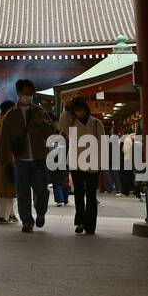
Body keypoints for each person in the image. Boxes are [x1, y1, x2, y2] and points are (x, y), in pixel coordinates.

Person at [0, 79, 57, 232]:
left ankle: (40, 213)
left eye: (31, 93)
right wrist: (4, 160)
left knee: (42, 191)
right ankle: (27, 222)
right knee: (23, 193)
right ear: (18, 93)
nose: (28, 96)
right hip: (20, 160)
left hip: (40, 158)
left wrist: (41, 123)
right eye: (25, 93)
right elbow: (4, 139)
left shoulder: (40, 111)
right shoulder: (10, 115)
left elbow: (51, 133)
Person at [57, 97, 105, 235]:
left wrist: (102, 163)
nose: (79, 112)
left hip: (93, 163)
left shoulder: (96, 123)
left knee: (91, 195)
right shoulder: (71, 122)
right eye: (76, 110)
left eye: (80, 109)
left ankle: (91, 225)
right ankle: (80, 222)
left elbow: (102, 143)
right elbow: (61, 126)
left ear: (85, 108)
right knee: (78, 194)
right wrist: (66, 111)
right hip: (76, 162)